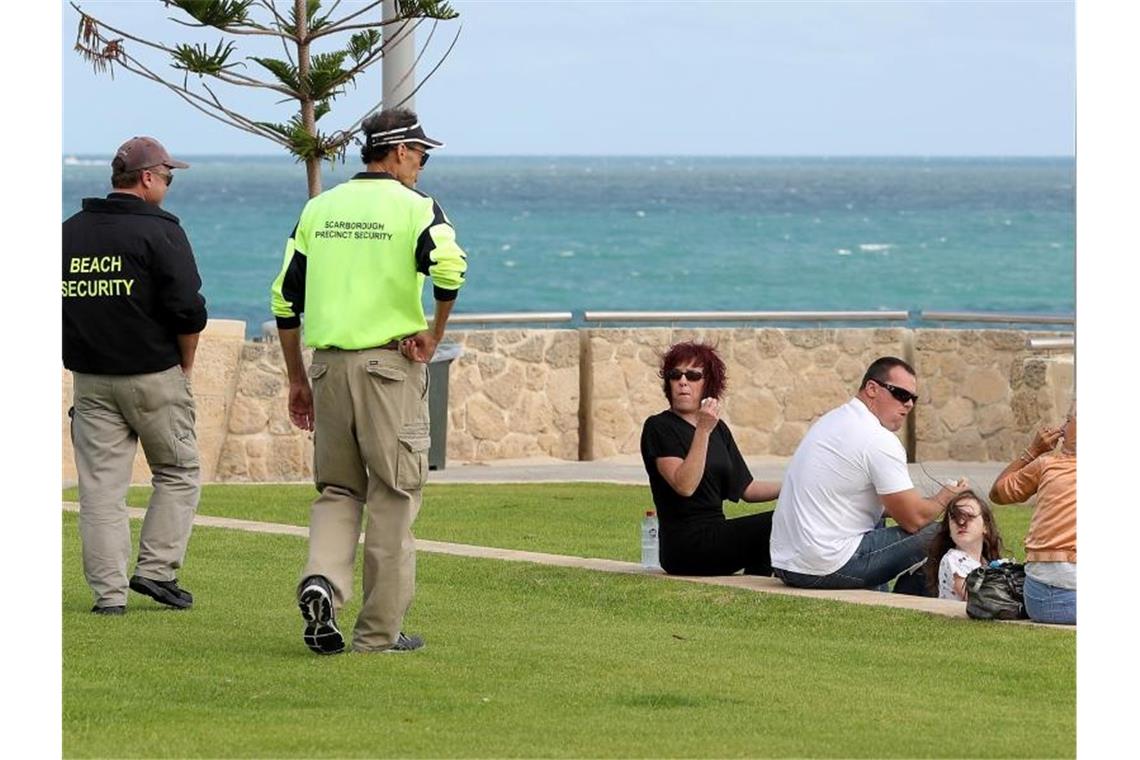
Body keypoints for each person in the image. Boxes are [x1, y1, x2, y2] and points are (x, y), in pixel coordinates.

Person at [270, 108, 467, 655]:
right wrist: (432, 333)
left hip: (329, 367)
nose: (422, 167)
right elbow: (450, 270)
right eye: (421, 155)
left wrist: (296, 379)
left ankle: (324, 585)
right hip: (389, 370)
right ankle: (378, 634)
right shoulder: (418, 207)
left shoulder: (319, 208)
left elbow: (286, 298)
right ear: (399, 151)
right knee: (394, 494)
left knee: (338, 489)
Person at [62, 136, 208, 615]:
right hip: (152, 376)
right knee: (179, 470)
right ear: (147, 178)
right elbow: (188, 309)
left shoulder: (70, 232)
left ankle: (108, 598)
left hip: (90, 379)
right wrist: (184, 366)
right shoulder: (162, 232)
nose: (168, 184)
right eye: (167, 176)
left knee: (100, 491)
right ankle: (157, 571)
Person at [770, 356, 969, 591]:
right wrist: (945, 496)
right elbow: (913, 519)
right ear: (872, 389)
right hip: (823, 566)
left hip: (787, 564)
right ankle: (911, 595)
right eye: (900, 394)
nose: (908, 404)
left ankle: (881, 593)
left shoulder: (831, 420)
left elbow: (880, 505)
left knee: (879, 516)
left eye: (913, 398)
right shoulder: (877, 439)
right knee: (940, 532)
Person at [639, 342, 781, 576]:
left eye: (693, 376)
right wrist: (702, 430)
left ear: (708, 384)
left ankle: (759, 583)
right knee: (776, 524)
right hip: (684, 546)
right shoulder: (659, 427)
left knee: (786, 518)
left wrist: (793, 487)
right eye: (676, 375)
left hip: (716, 534)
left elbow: (748, 489)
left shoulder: (719, 429)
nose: (683, 381)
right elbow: (685, 485)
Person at [989, 404, 1076, 625]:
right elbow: (998, 493)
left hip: (1040, 598)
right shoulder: (1047, 465)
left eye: (1068, 419)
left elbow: (999, 492)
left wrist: (1033, 451)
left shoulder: (1046, 465)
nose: (1062, 428)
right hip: (1058, 595)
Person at [923, 490, 1005, 600]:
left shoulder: (985, 563)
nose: (961, 522)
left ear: (985, 526)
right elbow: (974, 597)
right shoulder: (953, 559)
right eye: (954, 517)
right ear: (949, 530)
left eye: (969, 516)